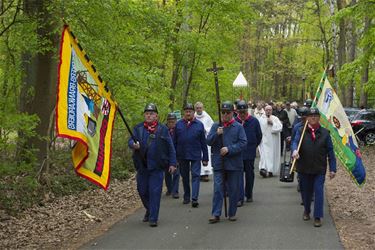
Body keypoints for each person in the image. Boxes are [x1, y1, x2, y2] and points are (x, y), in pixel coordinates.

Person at [128, 103, 177, 227]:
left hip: (157, 166)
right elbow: (130, 140)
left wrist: (172, 163)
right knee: (142, 190)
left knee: (155, 192)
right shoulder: (138, 128)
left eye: (151, 114)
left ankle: (153, 217)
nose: (149, 116)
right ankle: (149, 210)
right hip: (142, 166)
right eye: (147, 114)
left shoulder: (163, 129)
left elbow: (170, 147)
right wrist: (134, 145)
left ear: (156, 116)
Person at [292, 107, 337, 227]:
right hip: (304, 167)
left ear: (319, 118)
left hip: (319, 168)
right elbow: (295, 142)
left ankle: (318, 216)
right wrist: (294, 151)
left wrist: (333, 168)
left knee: (318, 191)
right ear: (306, 118)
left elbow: (331, 152)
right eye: (311, 116)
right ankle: (307, 210)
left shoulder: (325, 133)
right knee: (306, 192)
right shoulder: (301, 131)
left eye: (316, 116)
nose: (313, 118)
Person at [206, 101, 247, 223]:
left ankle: (232, 212)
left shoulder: (238, 127)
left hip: (234, 164)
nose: (225, 115)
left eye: (227, 112)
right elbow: (208, 141)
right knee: (218, 188)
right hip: (219, 163)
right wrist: (217, 135)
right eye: (223, 112)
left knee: (233, 189)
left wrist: (229, 149)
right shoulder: (215, 126)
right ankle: (216, 213)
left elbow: (243, 143)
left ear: (232, 113)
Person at [174, 103, 208, 207]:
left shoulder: (199, 125)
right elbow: (174, 142)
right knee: (184, 176)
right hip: (182, 154)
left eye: (190, 111)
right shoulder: (178, 124)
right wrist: (174, 157)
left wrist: (205, 157)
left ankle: (194, 198)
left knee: (196, 175)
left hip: (195, 154)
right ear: (184, 112)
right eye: (186, 111)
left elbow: (203, 142)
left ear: (193, 113)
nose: (188, 113)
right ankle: (187, 195)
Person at [235, 100, 262, 206]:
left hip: (250, 152)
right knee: (238, 175)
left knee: (249, 174)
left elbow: (259, 136)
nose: (242, 114)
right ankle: (239, 197)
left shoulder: (254, 121)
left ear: (247, 111)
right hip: (237, 153)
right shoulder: (235, 121)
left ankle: (249, 193)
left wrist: (253, 146)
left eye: (244, 112)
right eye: (240, 112)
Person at [258, 105, 283, 177]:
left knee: (271, 156)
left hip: (273, 141)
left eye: (270, 110)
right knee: (264, 155)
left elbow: (280, 128)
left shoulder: (275, 119)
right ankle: (263, 169)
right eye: (267, 110)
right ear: (265, 111)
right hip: (264, 141)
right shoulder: (261, 119)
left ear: (272, 111)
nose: (268, 111)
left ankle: (270, 170)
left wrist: (272, 124)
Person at [194, 102, 214, 182]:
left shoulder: (207, 116)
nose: (199, 109)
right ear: (195, 109)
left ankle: (205, 173)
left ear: (202, 108)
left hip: (205, 139)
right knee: (197, 155)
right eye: (197, 108)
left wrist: (206, 129)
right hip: (196, 140)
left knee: (205, 155)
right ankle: (199, 173)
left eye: (200, 108)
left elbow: (212, 126)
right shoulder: (194, 116)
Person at [164, 112, 180, 199]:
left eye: (173, 121)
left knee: (176, 173)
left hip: (177, 154)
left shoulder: (178, 129)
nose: (171, 123)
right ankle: (170, 189)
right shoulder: (163, 129)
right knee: (167, 173)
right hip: (166, 155)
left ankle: (175, 191)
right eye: (170, 121)